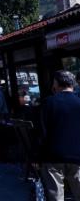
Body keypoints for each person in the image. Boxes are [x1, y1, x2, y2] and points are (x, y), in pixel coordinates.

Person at [40, 70, 80, 201]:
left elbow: (42, 131)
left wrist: (36, 156)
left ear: (55, 84)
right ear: (73, 85)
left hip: (53, 156)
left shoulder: (48, 102)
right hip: (77, 155)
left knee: (56, 196)